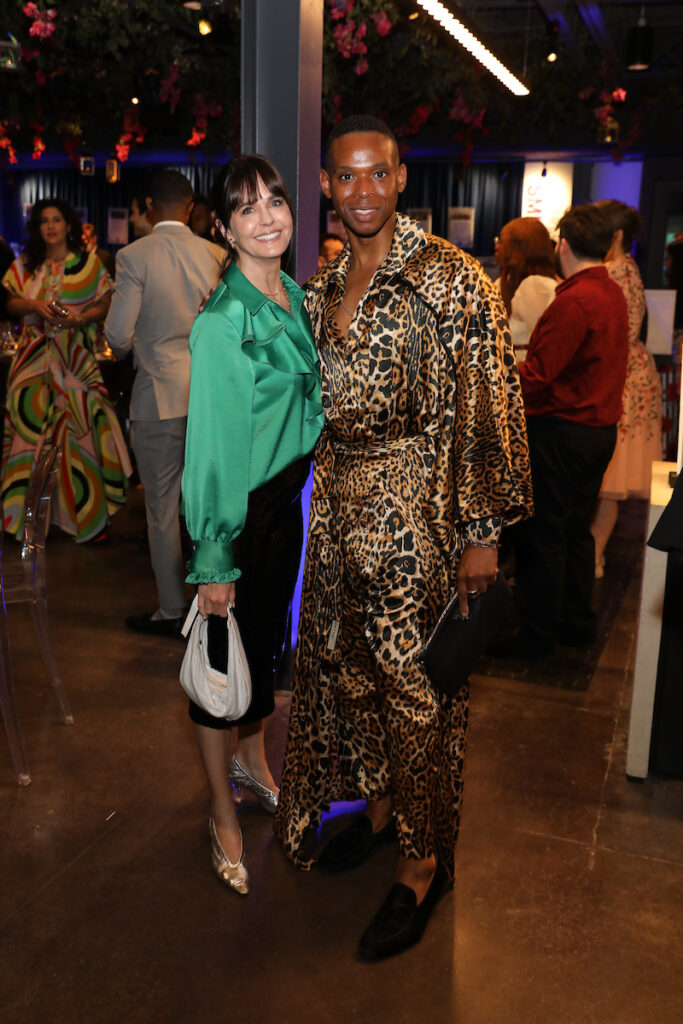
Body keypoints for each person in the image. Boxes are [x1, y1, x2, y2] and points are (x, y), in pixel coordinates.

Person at [273, 115, 532, 961]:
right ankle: (382, 816)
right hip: (338, 514)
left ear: (399, 177)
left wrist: (482, 533)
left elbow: (491, 409)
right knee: (350, 681)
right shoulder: (321, 286)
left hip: (416, 515)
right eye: (344, 178)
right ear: (325, 187)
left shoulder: (452, 281)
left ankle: (423, 863)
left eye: (375, 175)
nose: (361, 192)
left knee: (414, 691)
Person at [181, 155, 324, 895]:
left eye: (274, 200)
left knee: (268, 655)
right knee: (216, 679)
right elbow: (209, 448)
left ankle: (251, 763)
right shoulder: (222, 321)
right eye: (246, 208)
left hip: (286, 506)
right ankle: (220, 814)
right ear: (223, 225)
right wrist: (213, 558)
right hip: (235, 517)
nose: (266, 216)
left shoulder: (293, 295)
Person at [500, 204, 629, 658]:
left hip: (562, 431)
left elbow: (537, 377)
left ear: (565, 247)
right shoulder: (610, 293)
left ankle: (539, 634)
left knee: (545, 535)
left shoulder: (573, 301)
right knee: (576, 531)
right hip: (599, 430)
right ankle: (577, 623)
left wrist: (495, 372)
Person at [105, 170, 224, 636]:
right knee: (209, 507)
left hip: (157, 397)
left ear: (151, 206)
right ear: (191, 207)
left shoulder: (135, 256)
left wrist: (142, 346)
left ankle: (174, 610)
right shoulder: (214, 254)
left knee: (162, 509)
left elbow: (117, 335)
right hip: (208, 401)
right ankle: (216, 604)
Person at [1, 199, 131, 541]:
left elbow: (106, 300)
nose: (51, 226)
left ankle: (88, 517)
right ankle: (24, 521)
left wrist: (82, 319)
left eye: (57, 219)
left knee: (80, 431)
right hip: (30, 363)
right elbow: (10, 301)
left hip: (74, 360)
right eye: (44, 221)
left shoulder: (88, 264)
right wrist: (35, 305)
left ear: (69, 225)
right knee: (28, 437)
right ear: (37, 227)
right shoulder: (26, 265)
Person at [591, 200, 662, 577]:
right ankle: (596, 555)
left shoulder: (614, 271)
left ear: (615, 234)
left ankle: (595, 556)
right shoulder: (627, 268)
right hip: (633, 370)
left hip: (623, 374)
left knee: (608, 479)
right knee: (609, 481)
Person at [494, 217, 558, 362]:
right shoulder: (502, 283)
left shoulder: (539, 287)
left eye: (502, 241)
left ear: (519, 248)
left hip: (524, 378)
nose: (497, 246)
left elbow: (547, 348)